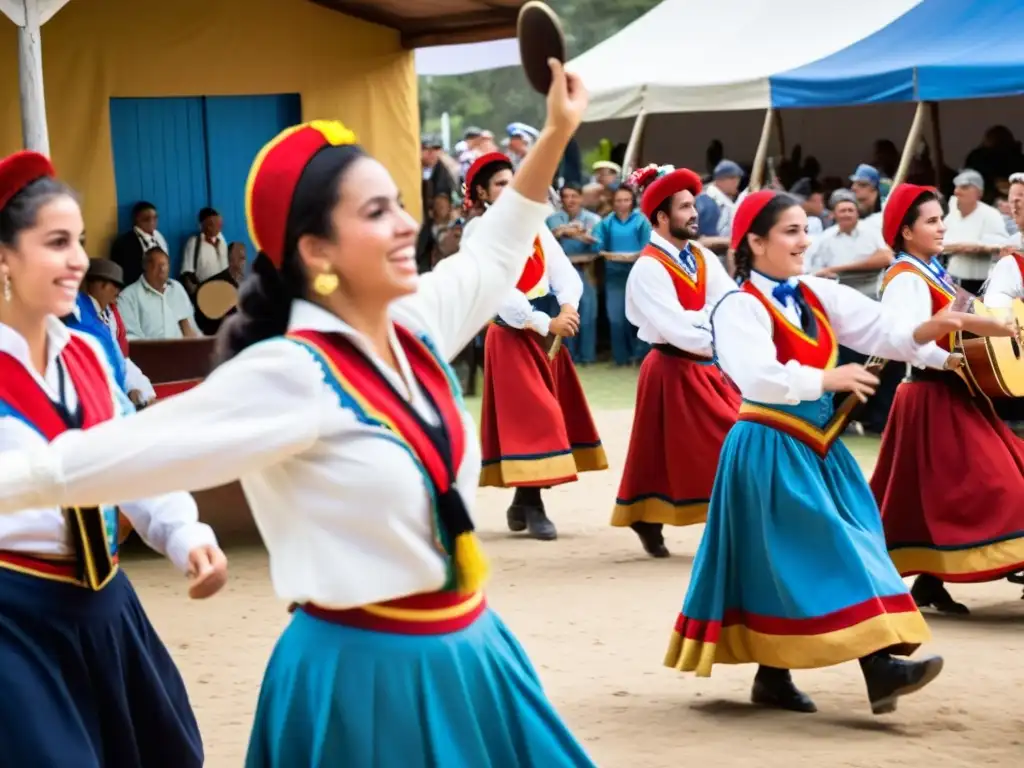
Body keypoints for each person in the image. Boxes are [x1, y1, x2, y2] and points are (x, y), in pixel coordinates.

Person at [0, 62, 598, 767]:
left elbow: (497, 247)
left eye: (402, 203)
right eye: (377, 212)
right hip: (365, 679)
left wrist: (557, 132)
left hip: (472, 653)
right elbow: (88, 461)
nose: (408, 225)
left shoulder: (417, 323)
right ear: (316, 252)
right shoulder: (290, 374)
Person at [664, 189, 976, 715]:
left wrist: (934, 327)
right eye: (791, 231)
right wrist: (827, 377)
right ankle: (879, 666)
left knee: (827, 547)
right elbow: (757, 374)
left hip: (818, 448)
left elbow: (884, 330)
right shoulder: (739, 306)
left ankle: (775, 675)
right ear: (755, 242)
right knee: (826, 547)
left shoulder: (813, 292)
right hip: (767, 447)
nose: (805, 241)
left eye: (807, 229)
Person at [0, 150, 227, 765]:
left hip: (103, 603)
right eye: (55, 242)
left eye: (77, 240)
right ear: (4, 257)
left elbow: (135, 460)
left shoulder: (87, 356)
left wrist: (184, 533)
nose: (77, 259)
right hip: (14, 616)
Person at [871, 183, 1024, 615]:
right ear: (905, 231)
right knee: (995, 485)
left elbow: (964, 319)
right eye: (932, 221)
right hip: (929, 395)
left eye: (942, 219)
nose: (942, 228)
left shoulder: (931, 271)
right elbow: (906, 340)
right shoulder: (905, 277)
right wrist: (949, 360)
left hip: (954, 393)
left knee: (937, 494)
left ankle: (929, 581)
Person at [465, 152, 607, 542]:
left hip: (546, 331)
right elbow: (497, 291)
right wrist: (546, 321)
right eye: (499, 184)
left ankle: (523, 503)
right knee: (537, 416)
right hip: (511, 332)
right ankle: (535, 506)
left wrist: (568, 308)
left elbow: (564, 273)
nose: (509, 190)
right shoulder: (479, 232)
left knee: (546, 413)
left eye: (512, 182)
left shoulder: (535, 227)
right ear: (482, 192)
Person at [611, 165, 739, 557]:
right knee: (676, 449)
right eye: (685, 207)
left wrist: (710, 322)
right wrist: (714, 327)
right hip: (670, 367)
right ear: (662, 217)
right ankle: (649, 513)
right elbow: (677, 329)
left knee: (719, 440)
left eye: (693, 204)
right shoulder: (648, 268)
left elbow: (730, 300)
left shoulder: (699, 255)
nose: (694, 213)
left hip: (705, 366)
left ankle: (650, 515)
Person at [66, 258, 156, 408]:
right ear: (100, 285)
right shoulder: (79, 312)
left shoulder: (107, 314)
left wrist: (141, 389)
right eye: (114, 285)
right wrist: (128, 392)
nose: (117, 292)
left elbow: (120, 359)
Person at [595, 185, 651, 366]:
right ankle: (621, 358)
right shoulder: (607, 222)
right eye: (618, 200)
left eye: (626, 200)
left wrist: (630, 256)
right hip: (614, 276)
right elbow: (597, 245)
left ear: (632, 201)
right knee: (616, 318)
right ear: (613, 202)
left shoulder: (641, 221)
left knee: (642, 317)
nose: (622, 204)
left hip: (638, 275)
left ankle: (642, 356)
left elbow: (647, 247)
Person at [109, 200, 168, 286]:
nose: (152, 222)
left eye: (155, 218)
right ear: (136, 219)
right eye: (147, 219)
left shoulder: (160, 238)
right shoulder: (123, 243)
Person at [180, 207, 229, 294]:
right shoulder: (194, 243)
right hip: (206, 293)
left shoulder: (222, 240)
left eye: (217, 223)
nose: (215, 227)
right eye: (210, 224)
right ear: (202, 225)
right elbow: (186, 273)